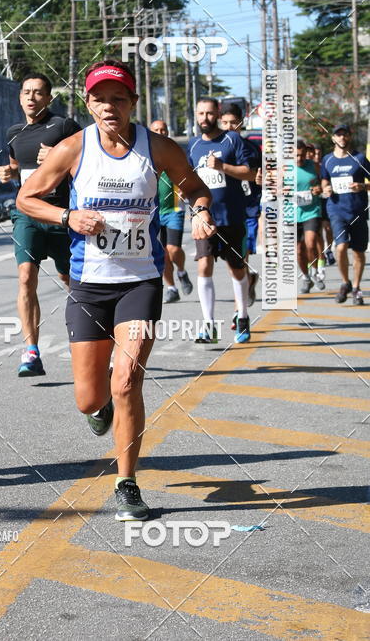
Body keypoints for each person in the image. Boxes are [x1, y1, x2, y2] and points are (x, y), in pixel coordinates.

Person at [16, 60, 215, 521]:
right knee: (90, 398)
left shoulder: (158, 148)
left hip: (140, 282)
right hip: (88, 285)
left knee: (127, 380)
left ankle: (127, 483)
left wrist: (202, 210)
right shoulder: (72, 148)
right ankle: (99, 406)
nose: (110, 106)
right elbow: (26, 197)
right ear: (88, 103)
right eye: (100, 98)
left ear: (133, 103)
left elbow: (194, 188)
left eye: (119, 98)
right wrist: (67, 217)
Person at [0, 73, 81, 377]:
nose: (31, 97)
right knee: (25, 277)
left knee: (73, 282)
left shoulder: (64, 127)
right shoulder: (13, 132)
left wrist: (63, 157)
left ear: (48, 98)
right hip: (27, 214)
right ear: (20, 97)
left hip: (61, 214)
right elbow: (20, 166)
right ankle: (31, 351)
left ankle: (89, 340)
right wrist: (8, 171)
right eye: (26, 92)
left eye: (38, 93)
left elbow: (89, 161)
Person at [187, 98, 257, 344]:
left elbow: (251, 173)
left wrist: (222, 166)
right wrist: (194, 210)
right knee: (204, 266)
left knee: (237, 270)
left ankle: (243, 317)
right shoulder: (193, 146)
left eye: (209, 113)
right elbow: (187, 183)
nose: (204, 118)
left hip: (232, 217)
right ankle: (208, 325)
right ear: (196, 115)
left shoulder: (232, 140)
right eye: (200, 113)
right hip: (204, 217)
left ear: (217, 113)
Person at [320, 124, 370, 305]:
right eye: (338, 135)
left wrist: (362, 186)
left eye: (345, 135)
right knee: (340, 247)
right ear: (333, 138)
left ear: (349, 137)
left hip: (358, 210)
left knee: (358, 252)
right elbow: (324, 180)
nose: (342, 138)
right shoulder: (327, 160)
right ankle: (345, 282)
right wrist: (325, 188)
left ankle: (356, 287)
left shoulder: (359, 158)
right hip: (336, 210)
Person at [219, 103, 262, 308]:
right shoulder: (217, 149)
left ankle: (239, 310)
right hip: (226, 212)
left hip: (248, 211)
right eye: (225, 123)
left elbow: (262, 176)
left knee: (239, 259)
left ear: (241, 123)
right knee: (234, 263)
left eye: (233, 123)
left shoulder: (251, 148)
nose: (229, 127)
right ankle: (247, 282)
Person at [149, 119, 193, 303]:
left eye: (163, 129)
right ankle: (172, 288)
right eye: (156, 130)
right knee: (162, 253)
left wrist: (184, 187)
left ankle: (181, 272)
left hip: (174, 208)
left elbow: (189, 174)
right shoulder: (146, 154)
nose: (161, 132)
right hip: (154, 212)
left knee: (173, 249)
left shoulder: (175, 152)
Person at [295, 139, 325, 293]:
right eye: (296, 156)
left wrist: (319, 189)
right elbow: (274, 190)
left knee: (311, 243)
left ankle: (315, 273)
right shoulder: (283, 169)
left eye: (301, 155)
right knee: (299, 251)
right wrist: (282, 192)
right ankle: (306, 277)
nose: (299, 159)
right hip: (291, 214)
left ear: (306, 153)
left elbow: (323, 184)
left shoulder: (314, 166)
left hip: (312, 211)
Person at [314, 143, 335, 268]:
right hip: (313, 203)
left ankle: (328, 250)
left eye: (318, 153)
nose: (316, 156)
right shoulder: (309, 167)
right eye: (314, 153)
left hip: (326, 200)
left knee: (328, 228)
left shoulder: (326, 165)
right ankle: (320, 253)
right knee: (317, 230)